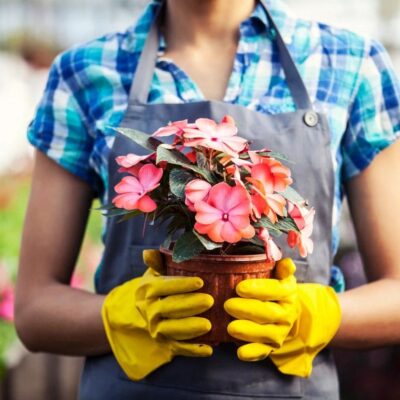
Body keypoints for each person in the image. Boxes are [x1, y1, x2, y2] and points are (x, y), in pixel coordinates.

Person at [15, 0, 400, 399]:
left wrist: (314, 316)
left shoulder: (350, 63)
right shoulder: (83, 73)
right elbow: (33, 311)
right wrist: (123, 316)